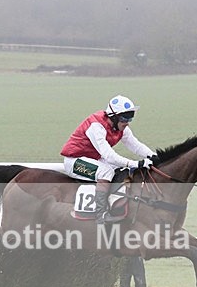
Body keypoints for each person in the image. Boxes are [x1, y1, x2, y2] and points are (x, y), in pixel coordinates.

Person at [61, 95, 157, 223]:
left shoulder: (120, 127)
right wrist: (135, 163)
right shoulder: (96, 126)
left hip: (93, 158)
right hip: (74, 161)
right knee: (106, 172)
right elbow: (109, 156)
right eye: (124, 118)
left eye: (130, 118)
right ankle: (100, 215)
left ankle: (114, 202)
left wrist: (154, 156)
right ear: (114, 117)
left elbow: (135, 145)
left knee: (120, 170)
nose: (127, 122)